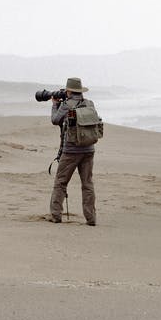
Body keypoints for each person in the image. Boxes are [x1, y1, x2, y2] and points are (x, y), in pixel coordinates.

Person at [49, 77, 97, 225]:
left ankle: (56, 216)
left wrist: (55, 104)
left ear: (69, 91)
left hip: (71, 150)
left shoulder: (67, 105)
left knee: (61, 183)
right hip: (89, 149)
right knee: (87, 184)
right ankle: (91, 218)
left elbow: (55, 120)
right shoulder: (89, 103)